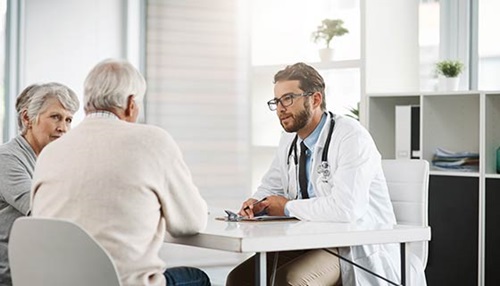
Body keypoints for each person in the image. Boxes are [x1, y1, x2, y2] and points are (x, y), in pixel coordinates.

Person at [226, 62, 426, 286]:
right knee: (239, 279)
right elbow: (271, 187)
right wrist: (257, 203)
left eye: (288, 98)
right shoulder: (289, 140)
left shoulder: (351, 137)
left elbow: (346, 208)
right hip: (306, 240)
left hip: (351, 246)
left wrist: (287, 207)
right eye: (277, 101)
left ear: (315, 99)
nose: (281, 108)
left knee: (290, 281)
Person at [30, 58, 211, 286]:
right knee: (197, 278)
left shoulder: (50, 152)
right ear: (131, 104)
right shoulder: (153, 141)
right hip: (122, 283)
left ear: (87, 102)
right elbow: (191, 221)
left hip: (55, 282)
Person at [0, 82, 80, 286]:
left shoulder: (51, 160)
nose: (63, 128)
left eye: (69, 120)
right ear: (27, 118)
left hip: (41, 269)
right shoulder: (6, 158)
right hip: (12, 277)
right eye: (56, 117)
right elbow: (42, 209)